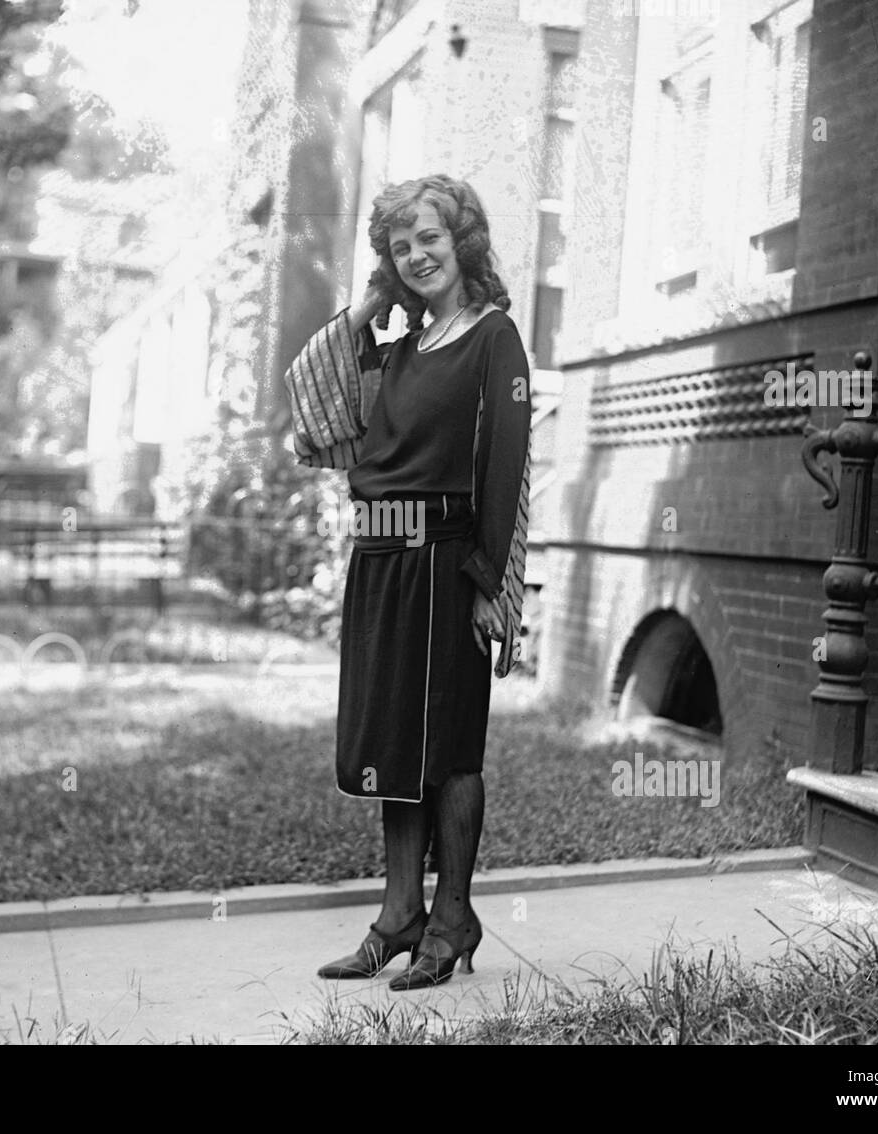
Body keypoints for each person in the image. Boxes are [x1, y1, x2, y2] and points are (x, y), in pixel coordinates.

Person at [283, 174, 532, 990]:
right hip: (381, 568)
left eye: (429, 238)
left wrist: (492, 583)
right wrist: (368, 302)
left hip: (445, 565)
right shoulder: (391, 355)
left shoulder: (493, 339)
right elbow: (313, 409)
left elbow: (505, 468)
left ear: (461, 242)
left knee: (451, 748)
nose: (417, 255)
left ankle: (453, 914)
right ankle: (399, 916)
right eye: (400, 247)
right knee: (395, 748)